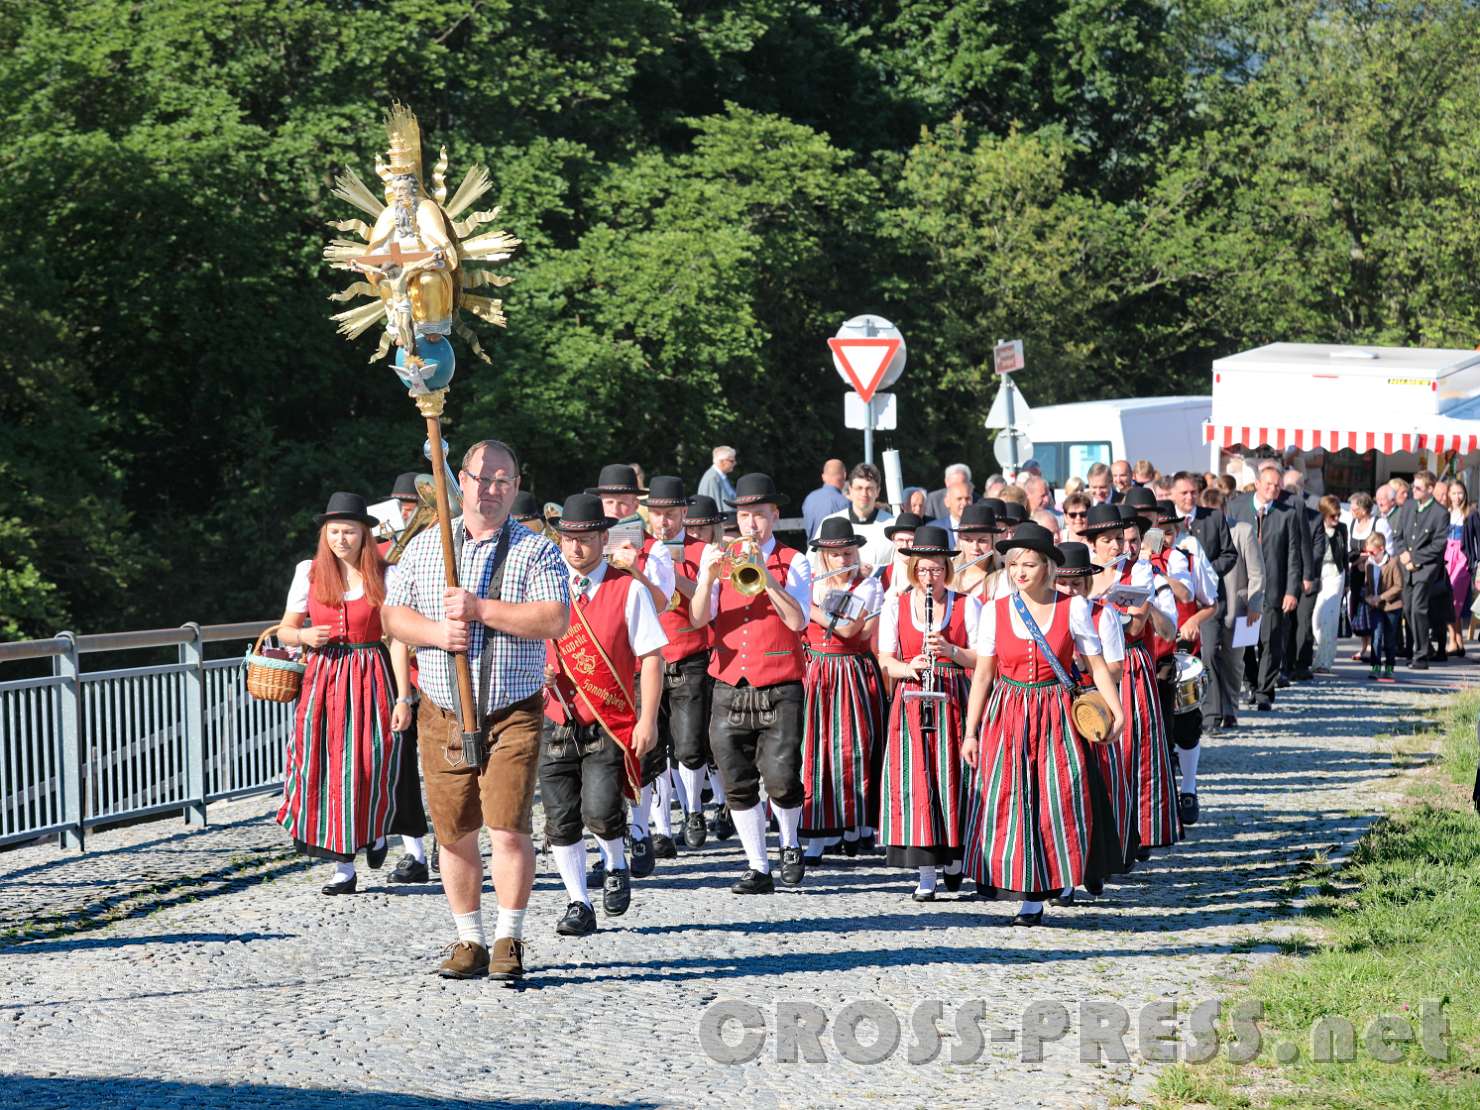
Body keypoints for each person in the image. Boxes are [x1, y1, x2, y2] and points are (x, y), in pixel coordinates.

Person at [382, 439, 570, 984]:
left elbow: (554, 618)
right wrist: (439, 631)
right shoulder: (426, 547)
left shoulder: (536, 550)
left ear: (515, 486)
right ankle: (470, 939)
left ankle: (509, 936)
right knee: (453, 832)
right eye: (482, 478)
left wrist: (480, 610)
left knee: (508, 827)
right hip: (441, 710)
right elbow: (394, 617)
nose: (490, 489)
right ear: (460, 480)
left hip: (510, 709)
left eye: (502, 481)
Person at [963, 523, 1123, 926]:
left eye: (1029, 564)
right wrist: (970, 731)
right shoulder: (995, 610)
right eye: (1013, 564)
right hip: (1009, 711)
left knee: (1060, 796)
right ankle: (1029, 895)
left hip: (1056, 712)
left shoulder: (1075, 608)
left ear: (1049, 567)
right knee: (1015, 799)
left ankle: (1064, 876)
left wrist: (1117, 711)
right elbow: (983, 675)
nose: (1019, 571)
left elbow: (1097, 665)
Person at [541, 494, 666, 937]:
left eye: (586, 538)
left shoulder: (628, 588)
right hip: (555, 718)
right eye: (569, 538)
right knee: (560, 817)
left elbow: (652, 657)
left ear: (603, 538)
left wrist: (648, 719)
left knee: (600, 809)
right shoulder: (543, 586)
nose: (576, 548)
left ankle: (615, 862)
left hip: (607, 720)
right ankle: (578, 901)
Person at [276, 492, 406, 895]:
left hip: (371, 673)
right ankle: (343, 866)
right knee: (327, 765)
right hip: (324, 677)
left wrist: (405, 697)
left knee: (370, 761)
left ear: (365, 535)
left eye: (349, 531)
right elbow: (284, 629)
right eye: (334, 532)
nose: (341, 539)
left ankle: (376, 831)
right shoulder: (310, 573)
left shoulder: (385, 575)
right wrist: (303, 634)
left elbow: (398, 639)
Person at [690, 473, 813, 893]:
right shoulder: (723, 561)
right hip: (728, 681)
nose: (751, 525)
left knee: (781, 775)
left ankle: (791, 842)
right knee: (735, 776)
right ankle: (757, 865)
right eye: (744, 516)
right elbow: (698, 619)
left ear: (774, 516)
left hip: (780, 681)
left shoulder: (795, 560)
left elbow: (798, 621)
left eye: (759, 516)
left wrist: (768, 577)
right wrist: (707, 578)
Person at [877, 526, 976, 901]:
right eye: (922, 569)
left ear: (946, 569)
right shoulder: (895, 604)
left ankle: (954, 856)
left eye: (935, 569)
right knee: (917, 780)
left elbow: (983, 660)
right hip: (912, 696)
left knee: (953, 776)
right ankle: (926, 872)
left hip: (952, 695)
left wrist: (951, 651)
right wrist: (910, 666)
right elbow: (886, 660)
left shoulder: (967, 604)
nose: (929, 576)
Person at [586, 464, 676, 874]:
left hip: (639, 666)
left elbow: (662, 603)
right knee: (599, 757)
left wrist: (633, 569)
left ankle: (640, 830)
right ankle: (610, 839)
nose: (617, 506)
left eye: (623, 500)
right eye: (609, 500)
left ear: (635, 503)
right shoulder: (589, 544)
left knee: (642, 753)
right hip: (602, 667)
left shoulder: (654, 548)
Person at [800, 519, 885, 863]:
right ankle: (820, 832)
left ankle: (856, 826)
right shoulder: (810, 584)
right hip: (816, 670)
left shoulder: (868, 586)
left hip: (851, 671)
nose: (841, 560)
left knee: (854, 749)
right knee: (815, 750)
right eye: (834, 554)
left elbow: (852, 631)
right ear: (822, 555)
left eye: (847, 553)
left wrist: (810, 608)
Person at [644, 477, 722, 851]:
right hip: (647, 657)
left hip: (690, 653)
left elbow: (708, 610)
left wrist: (670, 575)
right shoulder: (634, 549)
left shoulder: (702, 552)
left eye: (670, 514)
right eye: (657, 514)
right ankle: (660, 828)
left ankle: (692, 809)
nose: (663, 522)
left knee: (690, 745)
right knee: (653, 745)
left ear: (683, 514)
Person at [1225, 463, 1304, 710]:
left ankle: (1265, 692)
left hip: (1274, 588)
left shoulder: (1286, 514)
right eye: (1268, 484)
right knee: (1246, 640)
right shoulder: (1237, 507)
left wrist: (1292, 590)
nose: (1272, 489)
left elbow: (1293, 554)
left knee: (1270, 640)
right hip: (1244, 586)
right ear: (1257, 484)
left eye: (1277, 485)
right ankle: (1250, 681)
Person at [1201, 487, 1262, 731]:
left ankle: (1231, 709)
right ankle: (1215, 709)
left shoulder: (1243, 531)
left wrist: (1255, 606)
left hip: (1242, 606)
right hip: (1211, 607)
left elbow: (1257, 573)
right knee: (1211, 657)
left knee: (1235, 663)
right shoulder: (1201, 533)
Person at [1394, 470, 1449, 669]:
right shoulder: (1408, 506)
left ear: (1430, 489)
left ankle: (1421, 655)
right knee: (1408, 609)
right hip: (1406, 565)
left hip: (1425, 567)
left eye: (1418, 488)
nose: (1413, 491)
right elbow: (1398, 536)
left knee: (1418, 608)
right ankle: (1422, 647)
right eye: (1413, 486)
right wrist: (1404, 555)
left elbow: (1438, 545)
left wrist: (1415, 559)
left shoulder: (1441, 513)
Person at [822, 462, 895, 568]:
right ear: (850, 490)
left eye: (869, 488)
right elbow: (815, 563)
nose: (864, 493)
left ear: (878, 491)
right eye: (859, 488)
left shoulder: (892, 525)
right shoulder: (830, 523)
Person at [1347, 491, 1389, 663]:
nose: (1351, 510)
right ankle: (1364, 645)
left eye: (1354, 507)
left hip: (1374, 573)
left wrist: (1370, 560)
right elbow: (1348, 550)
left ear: (1363, 510)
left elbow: (1387, 549)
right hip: (1356, 572)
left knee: (1372, 609)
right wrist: (1356, 560)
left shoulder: (1379, 523)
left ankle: (1374, 646)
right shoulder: (1352, 525)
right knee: (1358, 609)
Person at [1311, 495, 1348, 673]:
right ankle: (1323, 653)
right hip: (1319, 575)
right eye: (1333, 516)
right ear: (1324, 514)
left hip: (1336, 574)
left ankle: (1324, 661)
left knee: (1329, 618)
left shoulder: (1342, 529)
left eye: (1338, 515)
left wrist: (1346, 582)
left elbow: (1345, 556)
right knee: (1315, 619)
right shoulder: (1315, 527)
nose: (1337, 519)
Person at [1444, 480, 1480, 656]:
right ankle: (1458, 640)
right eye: (1453, 493)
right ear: (1448, 495)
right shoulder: (1446, 513)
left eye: (1460, 493)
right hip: (1445, 559)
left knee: (1454, 600)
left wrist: (1478, 563)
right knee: (1447, 597)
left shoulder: (1471, 514)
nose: (1457, 497)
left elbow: (1478, 541)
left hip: (1462, 559)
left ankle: (1452, 640)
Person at [1362, 532, 1403, 682]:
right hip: (1375, 607)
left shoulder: (1392, 563)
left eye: (1372, 552)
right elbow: (1367, 585)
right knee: (1376, 637)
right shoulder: (1369, 563)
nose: (1370, 555)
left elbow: (1399, 586)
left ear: (1381, 549)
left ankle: (1390, 667)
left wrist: (1381, 597)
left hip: (1392, 607)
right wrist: (1368, 597)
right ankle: (1375, 666)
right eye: (1368, 552)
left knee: (1390, 639)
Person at [802, 459, 850, 539]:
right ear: (844, 475)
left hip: (811, 549)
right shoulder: (845, 502)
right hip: (834, 550)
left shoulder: (809, 498)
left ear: (823, 477)